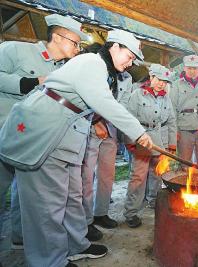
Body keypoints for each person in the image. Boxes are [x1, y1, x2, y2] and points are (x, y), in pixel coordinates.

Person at [0, 29, 152, 267]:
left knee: (71, 196)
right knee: (48, 205)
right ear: (114, 47)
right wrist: (139, 132)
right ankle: (48, 261)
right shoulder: (92, 63)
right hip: (46, 133)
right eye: (130, 56)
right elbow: (103, 102)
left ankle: (74, 245)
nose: (130, 63)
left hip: (67, 138)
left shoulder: (103, 70)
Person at [0, 13, 86, 251]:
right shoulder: (15, 50)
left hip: (33, 140)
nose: (78, 49)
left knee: (24, 193)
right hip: (3, 132)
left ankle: (20, 236)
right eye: (75, 42)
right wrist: (32, 81)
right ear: (58, 37)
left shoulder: (66, 69)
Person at [81, 56, 134, 240]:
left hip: (111, 130)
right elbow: (88, 97)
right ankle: (85, 222)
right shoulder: (98, 69)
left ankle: (101, 213)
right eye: (128, 56)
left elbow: (123, 106)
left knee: (107, 175)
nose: (129, 62)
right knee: (86, 177)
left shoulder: (127, 78)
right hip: (90, 127)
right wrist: (96, 122)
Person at [123, 64, 176, 228]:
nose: (161, 84)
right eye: (159, 79)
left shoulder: (166, 98)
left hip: (160, 141)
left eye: (165, 81)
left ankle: (154, 202)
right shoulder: (137, 95)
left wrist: (171, 144)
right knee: (138, 176)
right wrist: (130, 141)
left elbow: (171, 121)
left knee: (157, 174)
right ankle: (131, 212)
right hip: (142, 139)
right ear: (151, 77)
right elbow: (128, 119)